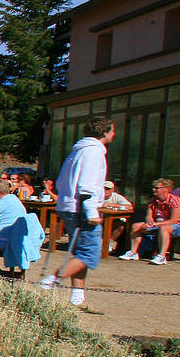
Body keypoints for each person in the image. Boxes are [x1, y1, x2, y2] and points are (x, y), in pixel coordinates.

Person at [40, 116, 115, 307]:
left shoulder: (77, 151)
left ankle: (78, 293)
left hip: (68, 206)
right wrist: (91, 212)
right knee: (89, 254)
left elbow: (61, 182)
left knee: (81, 253)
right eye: (112, 130)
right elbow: (87, 185)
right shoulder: (94, 152)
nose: (114, 134)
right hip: (81, 208)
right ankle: (52, 279)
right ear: (104, 132)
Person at [120, 178, 180, 265]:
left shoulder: (176, 201)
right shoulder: (153, 201)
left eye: (157, 188)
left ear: (166, 189)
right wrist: (149, 223)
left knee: (164, 228)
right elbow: (149, 215)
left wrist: (154, 224)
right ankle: (133, 252)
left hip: (177, 226)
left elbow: (173, 220)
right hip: (158, 225)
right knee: (136, 226)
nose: (154, 189)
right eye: (154, 187)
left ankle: (162, 256)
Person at [101, 180, 133, 250]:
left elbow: (130, 207)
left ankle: (109, 243)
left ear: (113, 189)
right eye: (103, 188)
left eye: (108, 189)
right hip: (99, 219)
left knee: (120, 224)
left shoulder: (117, 197)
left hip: (112, 220)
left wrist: (112, 205)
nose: (105, 191)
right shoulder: (97, 196)